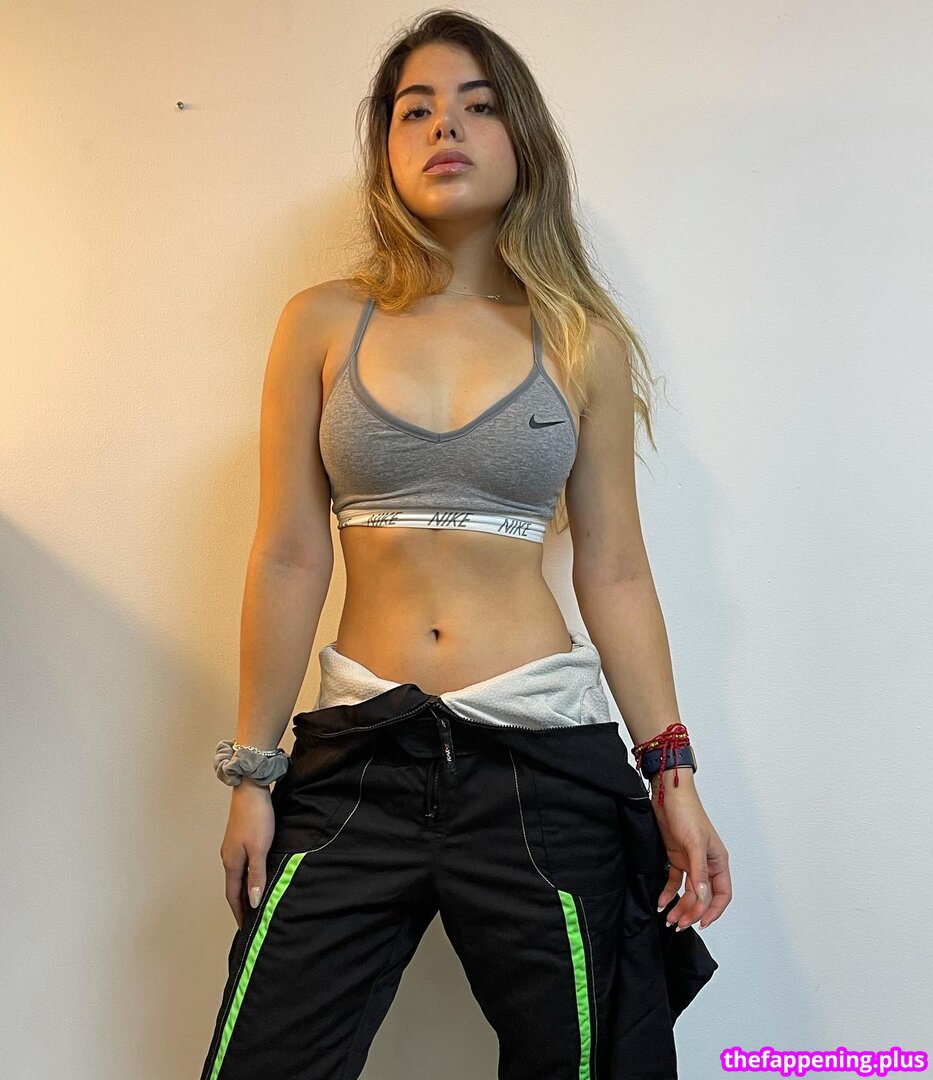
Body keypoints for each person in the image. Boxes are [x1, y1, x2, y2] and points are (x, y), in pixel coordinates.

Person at [199, 10, 731, 1080]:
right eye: (416, 110)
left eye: (478, 105)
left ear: (521, 136)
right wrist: (253, 771)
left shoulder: (580, 340)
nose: (445, 126)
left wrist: (671, 773)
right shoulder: (320, 323)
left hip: (542, 760)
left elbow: (615, 569)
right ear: (386, 148)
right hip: (360, 759)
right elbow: (291, 553)